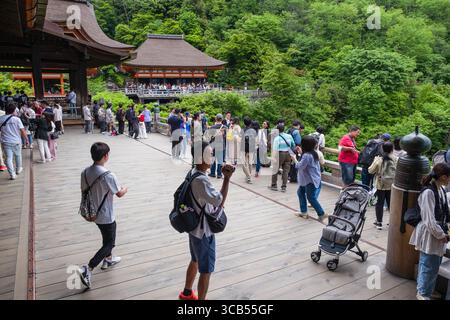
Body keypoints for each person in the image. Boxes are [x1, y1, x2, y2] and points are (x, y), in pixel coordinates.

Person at [179, 141, 234, 300]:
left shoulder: (192, 173)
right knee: (206, 270)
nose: (213, 157)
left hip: (193, 227)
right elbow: (219, 201)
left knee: (195, 259)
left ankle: (187, 293)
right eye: (210, 154)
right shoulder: (201, 180)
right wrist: (227, 178)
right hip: (204, 232)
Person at [78, 142, 128, 289]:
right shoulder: (108, 175)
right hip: (106, 214)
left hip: (93, 213)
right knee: (109, 243)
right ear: (106, 156)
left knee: (106, 237)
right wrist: (125, 188)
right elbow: (119, 193)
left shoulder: (85, 172)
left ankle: (108, 259)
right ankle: (89, 267)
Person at [409, 163, 450, 300]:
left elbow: (444, 211)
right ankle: (423, 293)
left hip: (436, 232)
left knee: (431, 264)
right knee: (429, 264)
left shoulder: (441, 189)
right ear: (444, 177)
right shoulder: (428, 192)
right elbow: (429, 220)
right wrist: (441, 235)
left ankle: (426, 289)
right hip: (430, 233)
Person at [296, 136, 328, 222]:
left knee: (311, 197)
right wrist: (300, 153)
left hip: (310, 180)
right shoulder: (313, 153)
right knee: (300, 192)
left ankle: (321, 213)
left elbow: (300, 166)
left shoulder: (307, 155)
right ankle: (304, 212)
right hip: (308, 179)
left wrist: (294, 159)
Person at [368, 142, 398, 230]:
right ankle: (391, 222)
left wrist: (375, 161)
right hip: (392, 185)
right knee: (391, 204)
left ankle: (379, 223)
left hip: (381, 184)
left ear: (382, 149)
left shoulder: (379, 160)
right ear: (392, 149)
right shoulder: (397, 159)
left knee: (379, 203)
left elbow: (370, 171)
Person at [0, 103, 29, 179]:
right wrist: (27, 139)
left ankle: (12, 174)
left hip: (5, 141)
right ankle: (18, 169)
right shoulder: (16, 119)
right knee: (18, 155)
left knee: (8, 158)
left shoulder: (1, 119)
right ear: (13, 110)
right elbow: (22, 130)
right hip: (16, 141)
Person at [269, 124, 296, 192]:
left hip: (280, 154)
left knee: (275, 169)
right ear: (284, 129)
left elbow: (275, 149)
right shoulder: (289, 136)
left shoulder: (277, 138)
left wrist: (273, 158)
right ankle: (284, 187)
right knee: (286, 171)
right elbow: (293, 145)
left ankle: (274, 185)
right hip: (288, 154)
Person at [207, 114, 226, 179]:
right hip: (221, 145)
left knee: (213, 159)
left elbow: (209, 137)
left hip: (213, 145)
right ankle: (219, 174)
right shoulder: (225, 127)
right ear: (222, 119)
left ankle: (212, 173)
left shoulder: (212, 127)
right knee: (220, 160)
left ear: (216, 119)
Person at [241, 117, 256, 184]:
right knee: (250, 163)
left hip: (244, 148)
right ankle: (248, 177)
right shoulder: (253, 130)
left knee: (244, 163)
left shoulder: (242, 130)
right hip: (251, 148)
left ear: (244, 123)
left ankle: (249, 176)